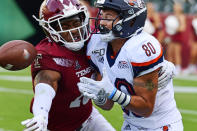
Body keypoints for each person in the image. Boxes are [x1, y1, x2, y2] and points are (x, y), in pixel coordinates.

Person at [77, 0, 183, 131]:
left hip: (160, 126)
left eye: (108, 17)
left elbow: (146, 108)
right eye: (102, 15)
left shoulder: (141, 48)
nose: (102, 22)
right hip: (130, 125)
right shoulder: (96, 45)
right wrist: (99, 96)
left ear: (131, 21)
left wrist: (113, 93)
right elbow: (107, 105)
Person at [21, 0, 116, 130]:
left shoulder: (93, 41)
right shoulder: (48, 53)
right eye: (64, 26)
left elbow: (107, 105)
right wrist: (41, 115)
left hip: (88, 118)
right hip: (56, 127)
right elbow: (45, 84)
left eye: (76, 23)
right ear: (50, 30)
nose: (74, 30)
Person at [165, 2, 186, 74]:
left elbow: (183, 27)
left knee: (177, 53)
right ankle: (170, 68)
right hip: (172, 36)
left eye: (177, 6)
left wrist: (174, 29)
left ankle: (178, 68)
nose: (175, 8)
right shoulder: (172, 16)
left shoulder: (181, 16)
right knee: (170, 52)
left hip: (178, 37)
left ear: (180, 8)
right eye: (175, 7)